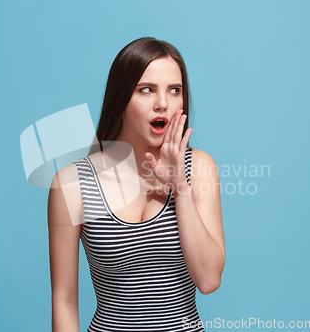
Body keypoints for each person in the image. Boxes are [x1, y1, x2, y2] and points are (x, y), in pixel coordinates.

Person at [47, 37, 225, 332]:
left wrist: (179, 186)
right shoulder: (71, 185)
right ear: (121, 97)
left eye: (174, 90)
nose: (163, 104)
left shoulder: (200, 167)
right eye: (146, 90)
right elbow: (63, 301)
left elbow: (208, 280)